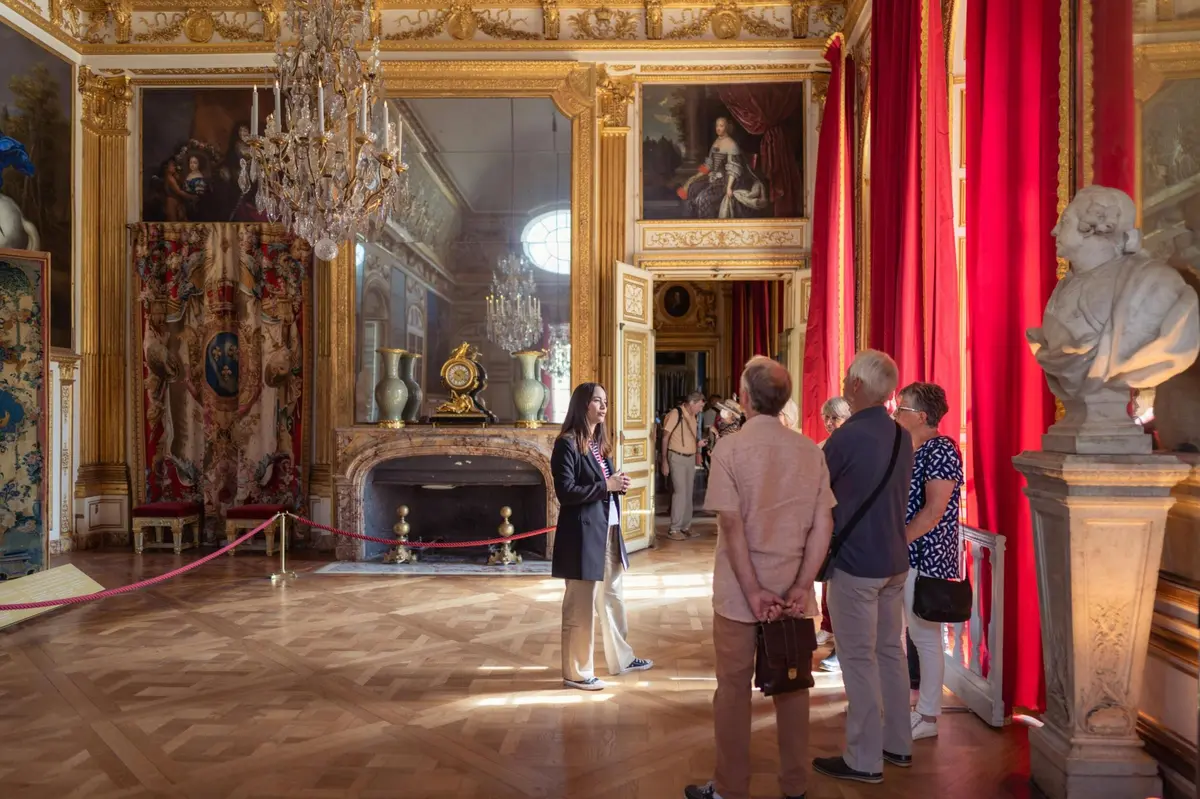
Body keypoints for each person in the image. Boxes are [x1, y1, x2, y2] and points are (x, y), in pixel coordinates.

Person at [684, 357, 834, 799]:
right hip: (793, 597)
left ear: (745, 398)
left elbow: (731, 526)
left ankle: (730, 789)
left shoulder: (730, 449)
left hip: (738, 594)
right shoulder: (810, 451)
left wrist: (752, 591)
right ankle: (795, 786)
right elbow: (823, 525)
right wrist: (803, 586)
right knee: (793, 689)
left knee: (732, 691)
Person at [812, 350, 915, 785]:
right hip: (894, 559)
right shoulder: (902, 436)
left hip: (856, 563)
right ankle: (898, 743)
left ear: (856, 385)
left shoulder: (845, 438)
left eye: (846, 378)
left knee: (857, 659)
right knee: (890, 652)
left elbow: (818, 493)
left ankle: (864, 758)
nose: (843, 383)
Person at [551, 383, 654, 691]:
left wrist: (616, 484)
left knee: (613, 597)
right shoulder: (566, 444)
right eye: (597, 400)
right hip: (582, 535)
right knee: (580, 606)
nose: (604, 406)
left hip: (607, 530)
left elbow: (602, 485)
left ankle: (622, 658)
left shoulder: (598, 444)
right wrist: (606, 486)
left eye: (605, 400)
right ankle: (576, 672)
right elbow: (566, 492)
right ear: (582, 405)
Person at [893, 382, 965, 741]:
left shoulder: (941, 449)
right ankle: (913, 709)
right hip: (908, 553)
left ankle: (928, 716)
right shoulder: (914, 448)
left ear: (921, 416)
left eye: (901, 408)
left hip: (925, 557)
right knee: (911, 635)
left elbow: (934, 511)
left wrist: (897, 542)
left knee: (925, 636)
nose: (895, 413)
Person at [816, 396, 851, 656]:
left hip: (847, 521)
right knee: (826, 578)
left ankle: (840, 639)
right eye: (826, 418)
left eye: (834, 418)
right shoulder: (821, 447)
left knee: (842, 585)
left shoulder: (854, 447)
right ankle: (827, 625)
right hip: (827, 521)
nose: (829, 423)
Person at [661, 391, 705, 541]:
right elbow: (665, 437)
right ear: (692, 403)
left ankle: (685, 526)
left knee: (688, 493)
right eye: (699, 406)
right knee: (680, 492)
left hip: (690, 458)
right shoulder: (676, 414)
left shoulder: (693, 416)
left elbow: (691, 437)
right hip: (677, 457)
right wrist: (664, 461)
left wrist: (697, 450)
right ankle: (674, 529)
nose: (701, 409)